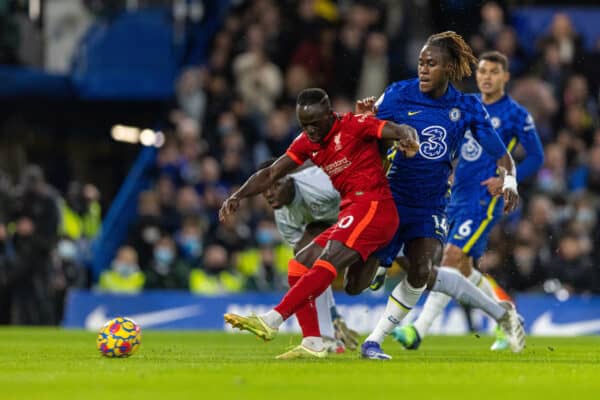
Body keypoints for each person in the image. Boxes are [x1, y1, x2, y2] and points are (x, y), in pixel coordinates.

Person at [356, 31, 525, 359]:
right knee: (360, 284)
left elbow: (499, 152)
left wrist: (510, 181)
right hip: (391, 197)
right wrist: (364, 119)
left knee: (423, 269)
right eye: (421, 62)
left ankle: (373, 341)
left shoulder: (466, 106)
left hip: (432, 202)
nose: (422, 69)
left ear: (448, 69)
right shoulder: (397, 94)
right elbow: (362, 131)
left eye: (431, 64)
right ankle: (500, 313)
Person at [220, 87, 420, 359]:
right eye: (304, 125)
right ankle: (314, 341)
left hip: (374, 206)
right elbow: (270, 173)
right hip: (352, 210)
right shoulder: (306, 142)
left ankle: (272, 319)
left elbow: (396, 130)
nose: (310, 131)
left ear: (329, 115)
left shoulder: (354, 124)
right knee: (299, 264)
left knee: (327, 260)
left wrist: (408, 135)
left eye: (315, 124)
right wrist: (238, 195)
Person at [392, 51, 544, 351]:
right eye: (482, 71)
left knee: (449, 258)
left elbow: (536, 157)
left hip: (483, 199)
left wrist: (505, 180)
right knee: (463, 269)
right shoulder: (467, 105)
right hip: (454, 195)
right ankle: (508, 315)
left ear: (505, 77)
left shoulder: (515, 114)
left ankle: (417, 329)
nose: (487, 77)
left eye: (494, 72)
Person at [259, 157, 359, 352]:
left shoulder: (321, 182)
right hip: (335, 228)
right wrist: (334, 314)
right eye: (264, 191)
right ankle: (326, 336)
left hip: (363, 216)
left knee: (361, 281)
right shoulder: (284, 217)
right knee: (304, 261)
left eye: (275, 186)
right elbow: (313, 269)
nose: (269, 194)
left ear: (291, 178)